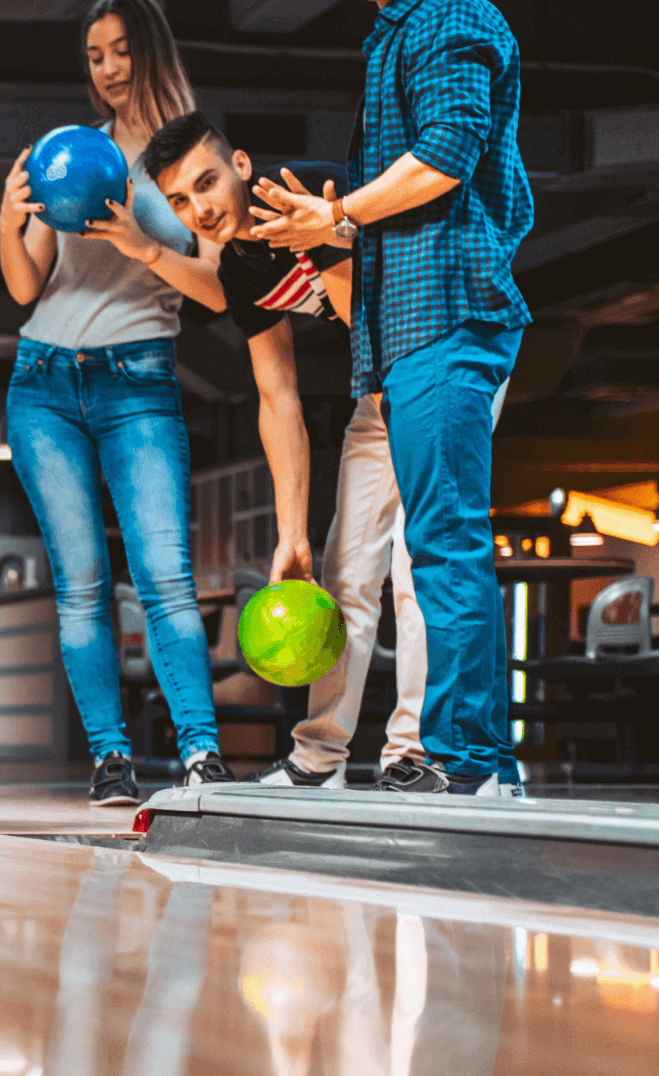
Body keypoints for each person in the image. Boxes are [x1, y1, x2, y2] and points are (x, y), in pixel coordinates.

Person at [247, 0, 533, 798]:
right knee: (430, 549)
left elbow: (446, 156)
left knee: (443, 546)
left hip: (450, 316)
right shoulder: (396, 33)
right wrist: (336, 229)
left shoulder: (449, 15)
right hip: (408, 337)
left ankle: (474, 761)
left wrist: (337, 211)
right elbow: (410, 207)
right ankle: (441, 755)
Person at [143, 111, 428, 792]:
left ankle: (415, 753)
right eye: (179, 199)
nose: (199, 209)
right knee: (343, 570)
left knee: (421, 570)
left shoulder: (312, 191)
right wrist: (289, 535)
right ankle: (319, 757)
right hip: (380, 389)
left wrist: (324, 239)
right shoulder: (241, 269)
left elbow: (371, 317)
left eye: (205, 183)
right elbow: (278, 401)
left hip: (438, 367)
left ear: (241, 164)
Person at [0, 0, 234, 807]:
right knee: (83, 583)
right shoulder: (72, 153)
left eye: (121, 49)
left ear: (151, 50)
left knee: (165, 576)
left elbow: (211, 286)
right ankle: (111, 759)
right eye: (94, 54)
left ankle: (202, 752)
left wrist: (140, 241)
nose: (106, 67)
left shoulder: (192, 158)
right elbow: (25, 285)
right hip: (44, 382)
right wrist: (9, 215)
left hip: (139, 378)